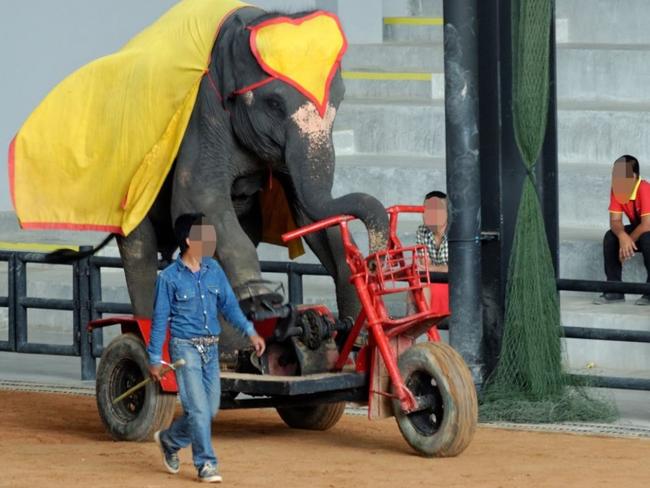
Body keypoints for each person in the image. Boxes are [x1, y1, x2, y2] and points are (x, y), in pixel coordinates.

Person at [147, 213, 266, 483]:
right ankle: (206, 464)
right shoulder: (168, 279)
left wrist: (249, 331)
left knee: (209, 410)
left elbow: (229, 306)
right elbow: (159, 320)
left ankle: (169, 440)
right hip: (184, 348)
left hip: (210, 349)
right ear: (189, 240)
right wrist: (154, 357)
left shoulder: (214, 270)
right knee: (199, 411)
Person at [594, 155, 650, 305]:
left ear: (633, 177)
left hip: (647, 227)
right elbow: (615, 221)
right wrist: (622, 236)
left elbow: (647, 225)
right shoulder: (617, 190)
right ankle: (615, 289)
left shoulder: (644, 188)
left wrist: (628, 240)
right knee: (611, 236)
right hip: (642, 227)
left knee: (647, 238)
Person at [416, 190, 448, 272]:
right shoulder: (422, 231)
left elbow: (460, 268)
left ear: (448, 213)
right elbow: (425, 267)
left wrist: (433, 268)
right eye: (426, 210)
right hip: (435, 280)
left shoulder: (458, 232)